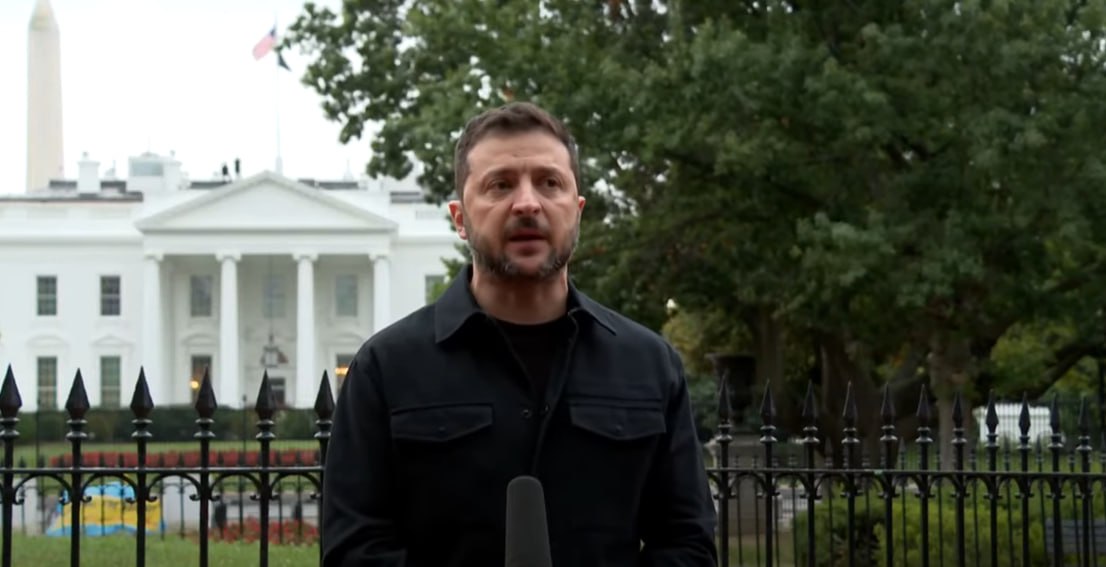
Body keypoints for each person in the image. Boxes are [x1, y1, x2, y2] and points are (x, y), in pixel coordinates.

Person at [321, 101, 718, 566]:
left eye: (550, 183)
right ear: (459, 218)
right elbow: (353, 550)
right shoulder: (386, 369)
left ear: (577, 210)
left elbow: (688, 544)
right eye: (500, 184)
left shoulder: (649, 364)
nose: (528, 203)